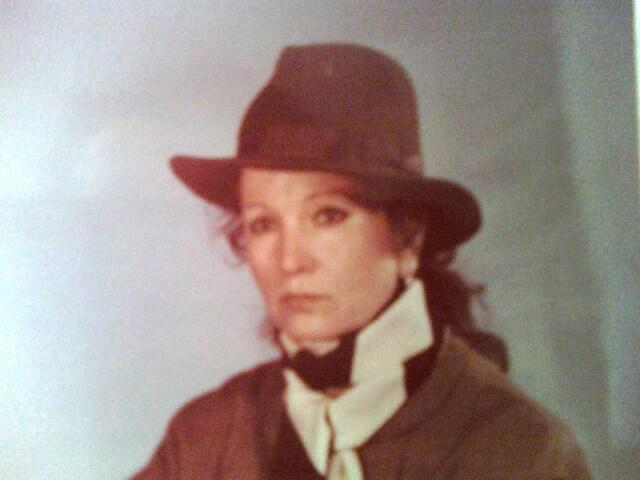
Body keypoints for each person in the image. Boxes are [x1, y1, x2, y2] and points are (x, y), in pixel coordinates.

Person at [132, 44, 590, 479]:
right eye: (263, 224)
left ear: (408, 238)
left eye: (328, 216)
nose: (290, 261)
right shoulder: (204, 434)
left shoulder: (515, 447)